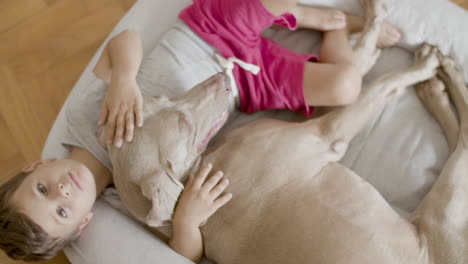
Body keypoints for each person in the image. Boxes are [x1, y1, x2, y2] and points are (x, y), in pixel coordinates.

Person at [0, 0, 401, 262]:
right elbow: (185, 256)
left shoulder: (82, 125)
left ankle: (306, 15)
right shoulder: (129, 198)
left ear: (37, 165)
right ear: (83, 224)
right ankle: (333, 25)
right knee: (345, 87)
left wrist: (123, 78)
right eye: (62, 211)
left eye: (42, 189)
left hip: (207, 33)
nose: (63, 191)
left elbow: (125, 40)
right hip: (242, 84)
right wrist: (188, 221)